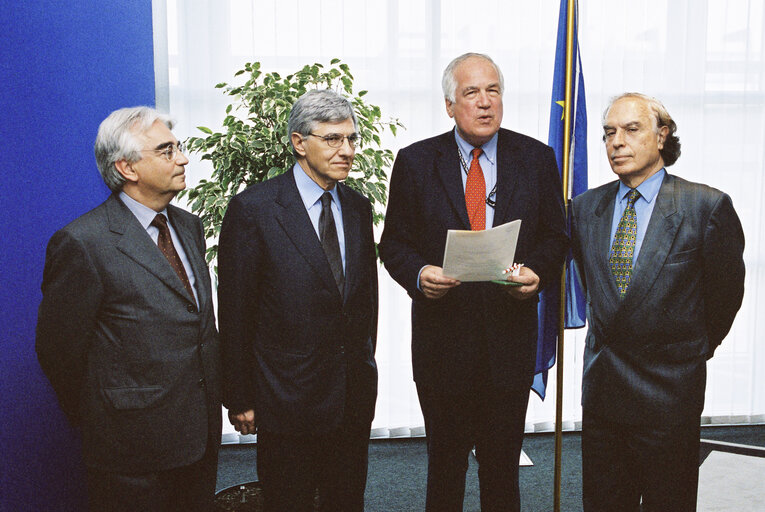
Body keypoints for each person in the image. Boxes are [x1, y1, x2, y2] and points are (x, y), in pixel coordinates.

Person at [379, 52, 568, 511]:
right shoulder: (416, 161)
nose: (485, 103)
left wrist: (538, 273)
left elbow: (556, 238)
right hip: (442, 344)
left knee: (502, 467)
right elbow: (394, 244)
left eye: (493, 91)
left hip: (509, 342)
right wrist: (420, 274)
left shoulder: (538, 158)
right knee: (445, 466)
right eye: (471, 93)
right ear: (449, 105)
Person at [35, 107, 221, 512]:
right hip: (131, 451)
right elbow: (58, 351)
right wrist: (109, 415)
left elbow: (196, 322)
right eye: (167, 150)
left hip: (199, 437)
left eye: (180, 148)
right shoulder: (83, 242)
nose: (184, 159)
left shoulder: (188, 227)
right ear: (127, 168)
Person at [571, 92, 746, 511]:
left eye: (631, 130)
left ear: (662, 135)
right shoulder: (582, 208)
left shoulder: (705, 206)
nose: (617, 142)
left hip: (669, 395)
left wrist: (689, 352)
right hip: (604, 396)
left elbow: (726, 296)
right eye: (609, 133)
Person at [217, 89, 379, 512]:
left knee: (347, 501)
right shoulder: (253, 209)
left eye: (351, 139)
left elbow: (364, 304)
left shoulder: (359, 208)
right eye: (332, 139)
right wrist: (239, 396)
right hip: (285, 398)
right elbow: (235, 310)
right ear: (298, 142)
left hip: (351, 396)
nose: (347, 150)